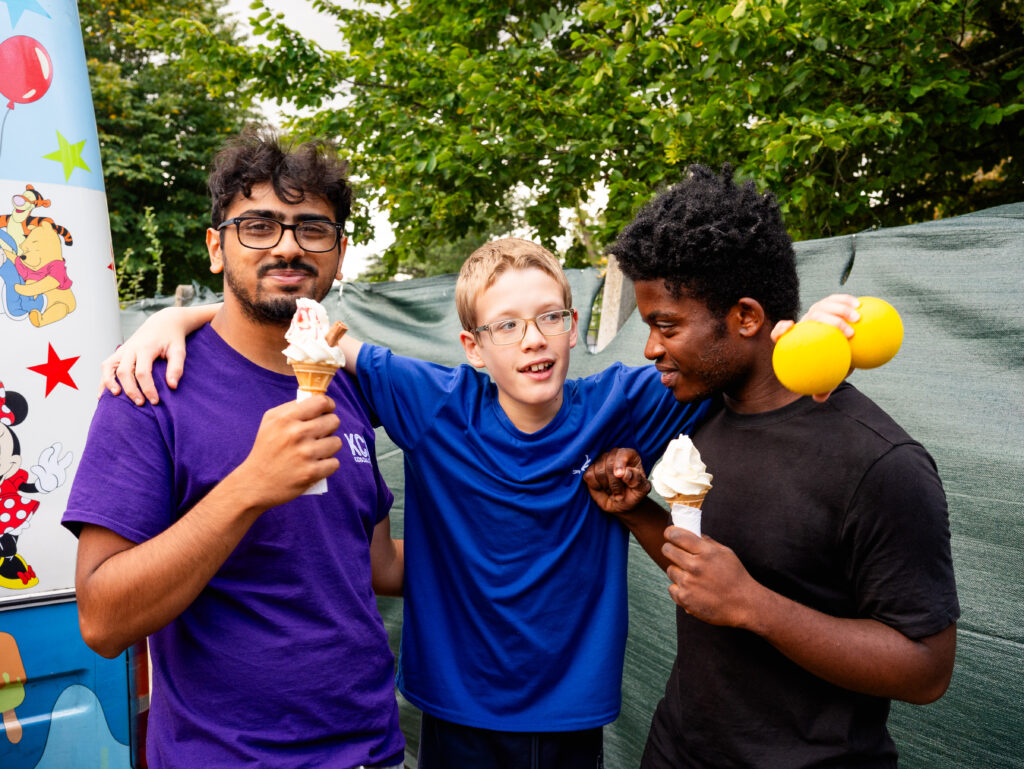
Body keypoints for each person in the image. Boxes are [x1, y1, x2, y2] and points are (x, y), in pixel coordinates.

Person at [105, 225, 852, 766]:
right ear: (473, 345)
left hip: (572, 714)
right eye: (507, 324)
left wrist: (805, 331)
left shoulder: (624, 402)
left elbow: (734, 360)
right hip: (456, 714)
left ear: (572, 326)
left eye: (551, 317)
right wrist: (178, 316)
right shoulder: (431, 399)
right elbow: (307, 332)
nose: (533, 339)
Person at [583, 164, 959, 768]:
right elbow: (707, 574)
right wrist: (639, 514)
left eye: (667, 325)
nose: (651, 347)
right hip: (677, 750)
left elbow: (925, 670)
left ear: (748, 318)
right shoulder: (699, 414)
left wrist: (755, 606)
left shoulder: (881, 463)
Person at [63, 130, 405, 769]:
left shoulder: (350, 384)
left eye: (312, 228)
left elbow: (376, 564)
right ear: (216, 248)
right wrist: (249, 486)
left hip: (371, 752)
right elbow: (103, 620)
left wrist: (533, 546)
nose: (287, 246)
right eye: (258, 225)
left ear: (340, 253)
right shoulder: (149, 387)